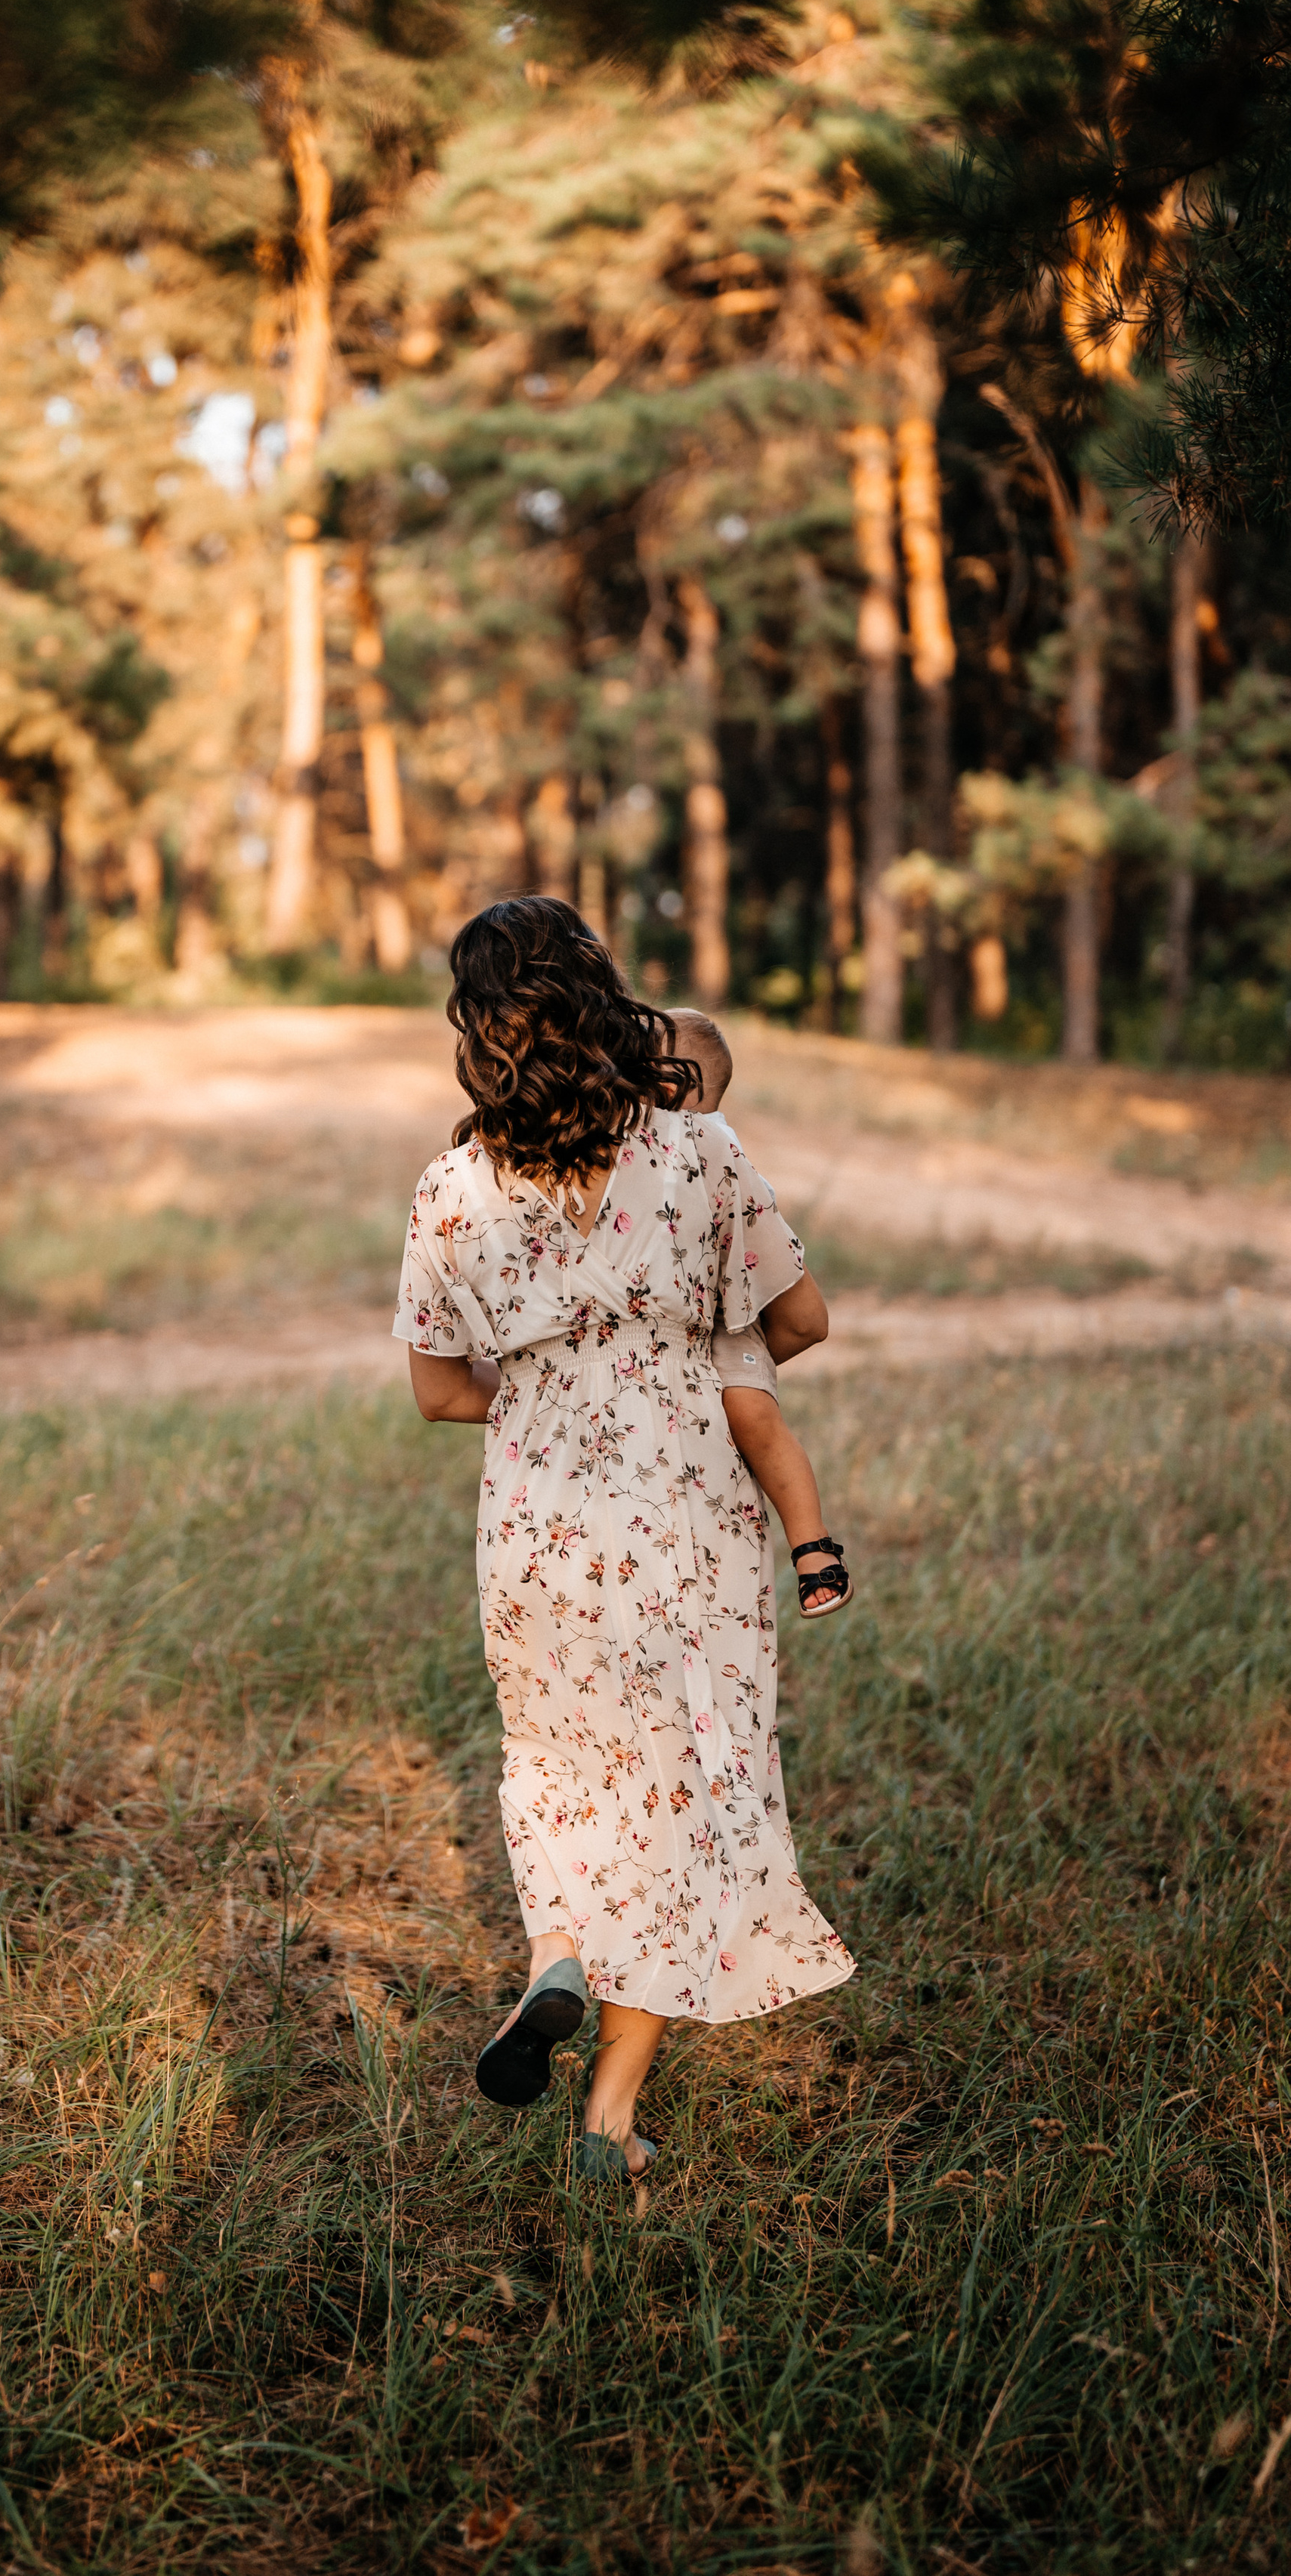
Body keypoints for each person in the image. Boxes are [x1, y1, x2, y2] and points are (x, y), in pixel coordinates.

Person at [397, 900, 855, 2182]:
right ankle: (607, 2118)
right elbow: (802, 1317)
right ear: (603, 997)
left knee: (555, 1762)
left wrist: (556, 1392)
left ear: (477, 1028)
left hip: (537, 1519)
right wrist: (680, 1356)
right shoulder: (700, 1151)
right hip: (686, 1517)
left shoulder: (450, 1186)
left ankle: (554, 1957)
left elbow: (438, 1390)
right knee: (686, 1791)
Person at [667, 1011, 851, 1619]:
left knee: (753, 1413)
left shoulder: (709, 1143)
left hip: (731, 1322)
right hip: (689, 1323)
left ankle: (811, 1544)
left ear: (676, 1084)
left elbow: (795, 1306)